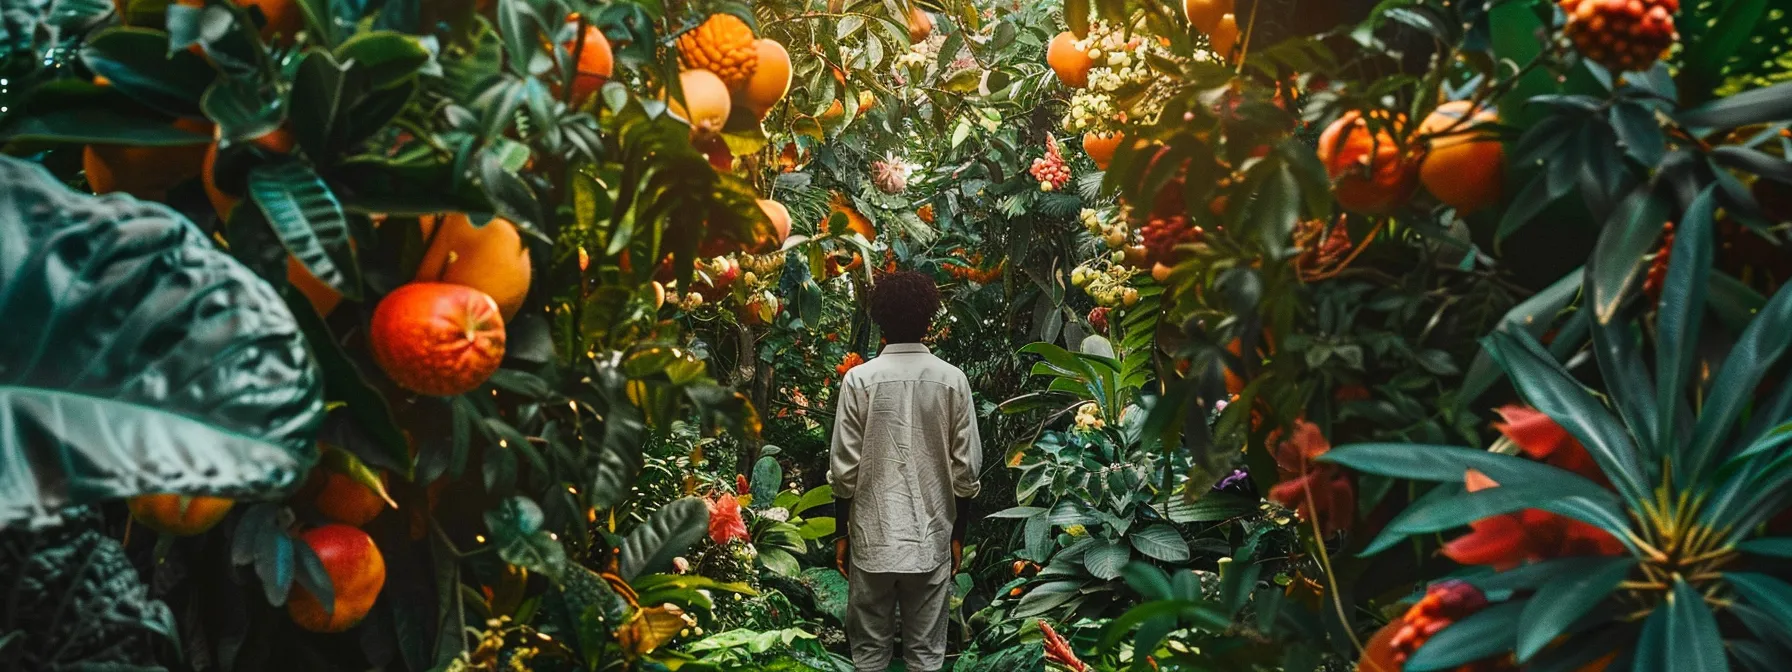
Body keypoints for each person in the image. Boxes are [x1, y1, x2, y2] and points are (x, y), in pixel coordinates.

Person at [829, 270, 982, 672]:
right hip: (931, 540)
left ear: (879, 321)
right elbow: (965, 471)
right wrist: (958, 536)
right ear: (928, 319)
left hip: (871, 538)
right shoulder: (953, 381)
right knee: (927, 658)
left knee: (868, 657)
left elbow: (844, 471)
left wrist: (841, 533)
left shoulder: (859, 381)